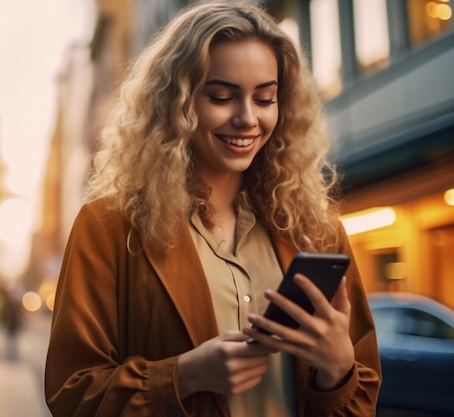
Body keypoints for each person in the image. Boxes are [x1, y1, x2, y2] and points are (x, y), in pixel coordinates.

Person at [45, 2, 381, 417]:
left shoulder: (317, 231)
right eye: (221, 97)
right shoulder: (109, 226)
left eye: (265, 98)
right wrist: (184, 376)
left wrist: (337, 368)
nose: (247, 118)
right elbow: (70, 392)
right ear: (177, 102)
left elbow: (363, 395)